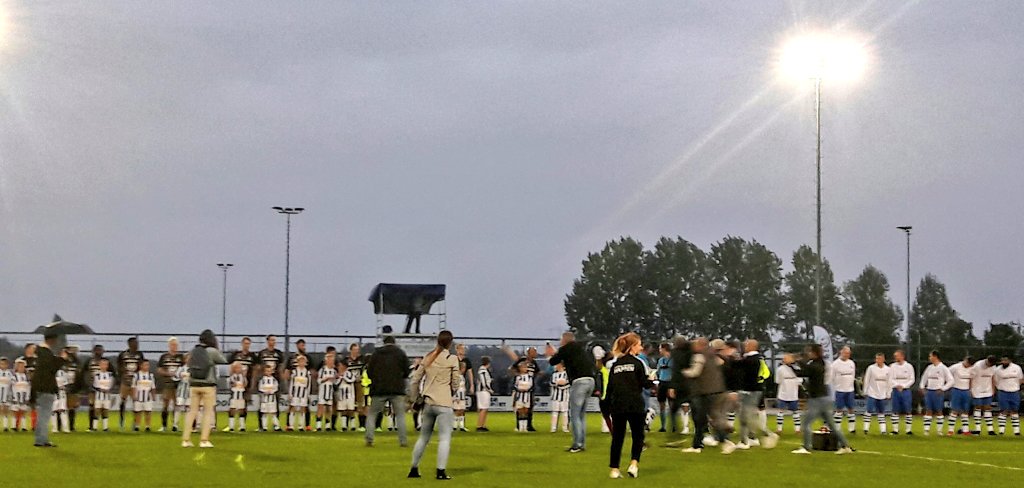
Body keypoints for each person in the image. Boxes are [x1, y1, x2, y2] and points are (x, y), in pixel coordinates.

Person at [408, 330, 460, 480]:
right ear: (450, 343)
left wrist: (415, 398)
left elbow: (414, 380)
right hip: (444, 403)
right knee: (444, 438)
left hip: (428, 402)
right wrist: (452, 391)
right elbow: (456, 382)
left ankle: (414, 468)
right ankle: (440, 471)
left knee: (423, 437)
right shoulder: (452, 359)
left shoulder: (428, 357)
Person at [604, 333, 652, 479]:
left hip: (618, 405)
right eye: (639, 344)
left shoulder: (615, 365)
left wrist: (607, 406)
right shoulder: (638, 363)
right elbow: (645, 384)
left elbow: (610, 388)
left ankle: (614, 469)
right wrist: (652, 380)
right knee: (638, 436)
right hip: (635, 404)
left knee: (617, 438)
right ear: (632, 347)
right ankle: (633, 464)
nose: (641, 347)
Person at [791, 344, 854, 455]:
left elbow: (805, 371)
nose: (808, 354)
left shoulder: (817, 365)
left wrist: (793, 362)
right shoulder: (820, 363)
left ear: (814, 353)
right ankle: (845, 446)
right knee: (832, 425)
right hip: (824, 399)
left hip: (817, 400)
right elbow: (804, 370)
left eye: (810, 352)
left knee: (805, 424)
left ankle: (806, 447)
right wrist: (794, 363)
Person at [546, 332, 597, 453]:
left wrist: (550, 354)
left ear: (564, 340)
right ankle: (582, 443)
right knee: (581, 415)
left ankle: (577, 444)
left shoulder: (566, 348)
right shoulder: (581, 348)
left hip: (579, 381)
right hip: (591, 380)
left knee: (574, 414)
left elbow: (553, 361)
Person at [181, 329, 227, 448]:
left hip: (194, 384)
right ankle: (204, 440)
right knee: (207, 412)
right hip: (208, 384)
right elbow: (223, 360)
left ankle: (186, 440)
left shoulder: (193, 351)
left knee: (192, 412)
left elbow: (188, 363)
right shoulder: (211, 351)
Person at [365, 335, 411, 446]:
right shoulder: (400, 353)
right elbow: (407, 370)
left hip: (379, 389)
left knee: (372, 414)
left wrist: (376, 379)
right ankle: (403, 441)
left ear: (383, 342)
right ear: (394, 342)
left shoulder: (376, 354)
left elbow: (369, 371)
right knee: (400, 415)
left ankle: (369, 439)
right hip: (397, 389)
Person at [736, 339, 778, 449]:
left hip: (751, 390)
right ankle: (752, 438)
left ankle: (762, 436)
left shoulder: (752, 359)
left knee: (746, 416)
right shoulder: (757, 358)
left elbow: (740, 367)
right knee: (748, 416)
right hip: (755, 389)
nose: (744, 346)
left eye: (746, 344)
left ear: (752, 346)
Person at [31, 331, 61, 447]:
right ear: (51, 340)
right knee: (44, 415)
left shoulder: (39, 353)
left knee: (41, 415)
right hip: (46, 388)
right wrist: (62, 359)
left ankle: (40, 439)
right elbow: (51, 369)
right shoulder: (45, 353)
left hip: (39, 388)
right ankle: (41, 440)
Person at [505, 346, 541, 431]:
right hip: (520, 388)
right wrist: (518, 375)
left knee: (529, 406)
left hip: (530, 387)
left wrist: (533, 378)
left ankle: (529, 424)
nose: (535, 354)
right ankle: (519, 425)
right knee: (519, 407)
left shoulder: (534, 363)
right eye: (533, 352)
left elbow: (537, 372)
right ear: (529, 353)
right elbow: (512, 368)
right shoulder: (522, 360)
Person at [919, 350, 954, 436]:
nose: (929, 358)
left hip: (938, 392)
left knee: (939, 411)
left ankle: (939, 431)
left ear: (935, 357)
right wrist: (922, 387)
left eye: (930, 356)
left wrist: (943, 389)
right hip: (929, 392)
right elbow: (924, 378)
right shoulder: (929, 367)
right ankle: (926, 430)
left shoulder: (943, 368)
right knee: (928, 411)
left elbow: (951, 381)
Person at [228, 337, 259, 432]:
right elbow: (230, 367)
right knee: (232, 406)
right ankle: (231, 425)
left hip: (245, 383)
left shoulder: (252, 356)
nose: (246, 345)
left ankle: (242, 425)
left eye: (248, 343)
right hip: (235, 386)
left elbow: (255, 370)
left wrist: (252, 384)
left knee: (243, 405)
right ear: (242, 344)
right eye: (245, 343)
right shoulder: (236, 355)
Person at [116, 337, 145, 430]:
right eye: (135, 343)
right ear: (129, 344)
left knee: (136, 403)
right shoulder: (123, 354)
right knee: (122, 401)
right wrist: (123, 374)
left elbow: (142, 366)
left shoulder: (140, 355)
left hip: (136, 383)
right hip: (125, 381)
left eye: (137, 343)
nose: (136, 345)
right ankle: (121, 421)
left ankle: (135, 424)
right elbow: (119, 366)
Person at [157, 337, 184, 432]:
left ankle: (175, 425)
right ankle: (164, 426)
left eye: (176, 345)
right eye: (173, 345)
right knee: (165, 404)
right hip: (167, 383)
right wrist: (168, 374)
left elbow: (185, 369)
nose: (175, 347)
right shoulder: (164, 357)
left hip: (179, 385)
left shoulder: (181, 357)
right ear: (169, 346)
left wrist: (180, 375)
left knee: (177, 404)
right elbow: (159, 370)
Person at [667, 335, 692, 435]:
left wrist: (672, 386)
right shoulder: (690, 352)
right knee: (687, 406)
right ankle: (685, 427)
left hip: (680, 383)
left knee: (675, 408)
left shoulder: (676, 354)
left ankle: (676, 427)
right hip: (688, 382)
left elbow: (676, 371)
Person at [862, 353, 891, 434]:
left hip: (882, 394)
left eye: (880, 359)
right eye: (877, 359)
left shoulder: (888, 369)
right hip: (872, 393)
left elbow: (889, 382)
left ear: (883, 359)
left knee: (881, 412)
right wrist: (865, 391)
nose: (878, 360)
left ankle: (883, 430)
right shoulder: (871, 368)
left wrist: (888, 393)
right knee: (869, 410)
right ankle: (866, 429)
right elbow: (867, 379)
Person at [342, 344, 369, 431]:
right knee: (348, 404)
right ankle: (346, 425)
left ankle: (362, 425)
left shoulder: (362, 359)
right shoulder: (346, 360)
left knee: (361, 404)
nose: (356, 351)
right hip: (349, 384)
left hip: (359, 383)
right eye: (354, 349)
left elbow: (365, 369)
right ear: (351, 350)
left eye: (357, 350)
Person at [831, 346, 857, 434]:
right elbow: (832, 377)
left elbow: (853, 375)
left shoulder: (851, 363)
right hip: (840, 390)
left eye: (848, 353)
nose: (847, 355)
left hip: (850, 390)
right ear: (841, 353)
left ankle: (852, 429)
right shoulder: (835, 364)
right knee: (839, 409)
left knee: (851, 409)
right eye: (845, 353)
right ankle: (837, 428)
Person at [994, 355, 1023, 435]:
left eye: (1006, 360)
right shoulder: (997, 369)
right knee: (1004, 410)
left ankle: (1016, 431)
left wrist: (1016, 387)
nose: (1004, 362)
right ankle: (1001, 431)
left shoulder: (1017, 368)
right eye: (1002, 360)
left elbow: (1021, 379)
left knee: (1015, 410)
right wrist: (1000, 388)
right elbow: (995, 380)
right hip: (1003, 392)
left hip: (1015, 392)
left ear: (1010, 360)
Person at [889, 349, 916, 435]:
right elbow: (890, 378)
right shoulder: (892, 366)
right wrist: (897, 385)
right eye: (895, 356)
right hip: (896, 390)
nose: (895, 358)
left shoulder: (909, 366)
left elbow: (912, 379)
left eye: (897, 356)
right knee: (895, 410)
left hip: (906, 390)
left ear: (902, 356)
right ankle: (895, 430)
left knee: (908, 410)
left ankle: (908, 430)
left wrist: (903, 386)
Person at [947, 356, 975, 435]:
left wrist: (970, 390)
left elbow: (971, 379)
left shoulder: (972, 369)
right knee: (954, 410)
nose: (967, 365)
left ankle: (965, 430)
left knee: (965, 411)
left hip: (966, 391)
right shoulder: (955, 367)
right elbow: (947, 374)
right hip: (956, 390)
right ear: (965, 360)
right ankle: (950, 430)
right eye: (967, 363)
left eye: (969, 365)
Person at [775, 353, 802, 434]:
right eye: (785, 358)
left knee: (795, 411)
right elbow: (778, 380)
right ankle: (779, 429)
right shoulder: (780, 369)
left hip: (793, 393)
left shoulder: (796, 368)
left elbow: (801, 379)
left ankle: (797, 429)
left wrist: (796, 382)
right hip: (783, 393)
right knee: (780, 411)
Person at [971, 355, 998, 435]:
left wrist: (993, 389)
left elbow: (992, 377)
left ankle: (990, 430)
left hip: (988, 390)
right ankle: (977, 429)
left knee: (988, 408)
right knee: (978, 407)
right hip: (977, 390)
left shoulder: (993, 367)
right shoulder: (977, 365)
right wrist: (971, 389)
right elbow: (971, 377)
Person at [83, 345, 106, 432]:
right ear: (93, 351)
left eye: (100, 350)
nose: (98, 352)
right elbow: (84, 373)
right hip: (92, 388)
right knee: (92, 406)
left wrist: (109, 385)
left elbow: (112, 374)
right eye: (97, 350)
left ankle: (105, 426)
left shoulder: (105, 362)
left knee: (103, 407)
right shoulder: (89, 361)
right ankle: (91, 426)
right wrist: (88, 384)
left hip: (103, 389)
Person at [287, 355, 311, 432]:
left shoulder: (307, 372)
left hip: (303, 394)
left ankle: (301, 425)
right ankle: (291, 425)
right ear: (297, 362)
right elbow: (291, 383)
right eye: (300, 361)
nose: (302, 363)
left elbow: (309, 384)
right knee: (293, 408)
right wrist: (290, 393)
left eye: (303, 361)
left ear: (305, 363)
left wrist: (308, 394)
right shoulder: (294, 372)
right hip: (295, 393)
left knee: (302, 409)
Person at [62, 346, 82, 432]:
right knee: (61, 407)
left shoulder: (76, 362)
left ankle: (71, 426)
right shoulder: (62, 362)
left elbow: (79, 375)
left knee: (72, 407)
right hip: (63, 387)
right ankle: (60, 426)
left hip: (73, 387)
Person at [315, 354, 338, 432]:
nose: (332, 362)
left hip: (330, 392)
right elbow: (318, 380)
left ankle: (327, 426)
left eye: (333, 360)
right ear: (326, 361)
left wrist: (335, 380)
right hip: (322, 391)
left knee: (329, 408)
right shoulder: (322, 370)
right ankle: (318, 425)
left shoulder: (334, 371)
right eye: (330, 360)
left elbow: (335, 382)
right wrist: (325, 379)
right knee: (320, 408)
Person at [132, 360, 156, 432]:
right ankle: (137, 426)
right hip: (138, 396)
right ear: (141, 366)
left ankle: (147, 426)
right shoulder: (136, 375)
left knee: (148, 412)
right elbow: (133, 386)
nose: (147, 366)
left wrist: (153, 396)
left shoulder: (151, 376)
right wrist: (134, 395)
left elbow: (153, 387)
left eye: (148, 365)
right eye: (145, 365)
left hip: (148, 397)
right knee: (138, 412)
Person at [92, 358, 114, 431]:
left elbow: (111, 384)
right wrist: (100, 389)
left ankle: (105, 427)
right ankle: (95, 427)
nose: (104, 366)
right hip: (99, 396)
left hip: (107, 396)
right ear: (100, 365)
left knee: (105, 411)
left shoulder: (110, 375)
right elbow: (95, 385)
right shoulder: (97, 374)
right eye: (102, 364)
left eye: (106, 364)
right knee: (97, 411)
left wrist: (108, 389)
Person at [257, 364, 282, 431]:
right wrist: (265, 391)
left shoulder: (274, 380)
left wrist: (271, 391)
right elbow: (260, 388)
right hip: (264, 399)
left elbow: (276, 388)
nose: (268, 372)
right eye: (267, 371)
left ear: (272, 371)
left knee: (273, 413)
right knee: (264, 413)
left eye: (270, 371)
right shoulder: (262, 380)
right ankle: (264, 427)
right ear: (264, 372)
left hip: (272, 399)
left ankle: (277, 426)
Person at [655, 343, 673, 432]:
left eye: (660, 349)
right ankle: (663, 426)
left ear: (664, 349)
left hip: (670, 383)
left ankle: (673, 425)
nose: (659, 351)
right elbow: (658, 371)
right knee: (662, 404)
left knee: (671, 404)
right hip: (662, 383)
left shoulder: (673, 360)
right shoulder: (660, 360)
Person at [51, 350, 70, 433]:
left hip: (62, 393)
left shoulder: (63, 372)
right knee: (54, 410)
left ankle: (65, 428)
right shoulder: (50, 372)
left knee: (63, 410)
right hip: (53, 393)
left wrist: (63, 387)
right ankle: (54, 428)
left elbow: (66, 383)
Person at [226, 362, 248, 432]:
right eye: (237, 368)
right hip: (234, 396)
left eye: (240, 367)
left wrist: (244, 376)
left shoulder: (243, 377)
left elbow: (245, 384)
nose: (239, 369)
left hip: (241, 396)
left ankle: (242, 426)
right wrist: (234, 384)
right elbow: (230, 384)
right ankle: (231, 426)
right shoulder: (231, 377)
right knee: (232, 410)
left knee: (241, 410)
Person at [336, 362, 358, 431]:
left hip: (350, 395)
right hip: (341, 395)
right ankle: (344, 426)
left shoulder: (349, 373)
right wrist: (339, 378)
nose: (339, 367)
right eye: (339, 366)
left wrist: (343, 376)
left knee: (351, 410)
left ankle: (353, 426)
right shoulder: (337, 375)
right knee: (343, 410)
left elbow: (351, 380)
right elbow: (336, 384)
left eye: (340, 366)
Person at [512, 361, 534, 432]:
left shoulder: (529, 377)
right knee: (520, 411)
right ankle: (520, 427)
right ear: (520, 368)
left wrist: (526, 388)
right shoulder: (518, 377)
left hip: (527, 396)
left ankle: (525, 427)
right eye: (523, 367)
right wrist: (519, 389)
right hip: (519, 396)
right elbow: (515, 386)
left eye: (526, 367)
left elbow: (531, 386)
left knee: (526, 411)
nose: (525, 368)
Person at [550, 363, 570, 433]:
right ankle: (553, 428)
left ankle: (565, 428)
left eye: (559, 365)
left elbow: (568, 384)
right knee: (555, 412)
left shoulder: (567, 374)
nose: (557, 366)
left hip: (565, 397)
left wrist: (560, 384)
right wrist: (559, 383)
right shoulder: (554, 374)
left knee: (565, 412)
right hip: (555, 396)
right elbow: (552, 383)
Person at [475, 356, 493, 432]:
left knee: (484, 408)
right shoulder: (483, 370)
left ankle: (482, 424)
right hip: (483, 391)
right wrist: (489, 389)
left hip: (482, 391)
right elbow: (484, 381)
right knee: (484, 408)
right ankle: (480, 425)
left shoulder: (483, 370)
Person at [452, 362, 468, 432]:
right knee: (457, 411)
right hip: (458, 396)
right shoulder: (457, 376)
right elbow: (455, 387)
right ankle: (454, 426)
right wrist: (456, 397)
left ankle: (461, 426)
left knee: (462, 410)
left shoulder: (462, 376)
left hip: (462, 396)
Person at [173, 367, 190, 432]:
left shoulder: (193, 368)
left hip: (190, 391)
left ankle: (187, 426)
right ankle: (175, 425)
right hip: (181, 391)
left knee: (188, 408)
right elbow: (175, 378)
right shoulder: (181, 368)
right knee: (178, 407)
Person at [0, 357, 13, 431]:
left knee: (5, 410)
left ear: (7, 365)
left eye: (5, 364)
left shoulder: (10, 373)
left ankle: (5, 426)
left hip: (6, 394)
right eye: (1, 364)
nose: (3, 365)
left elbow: (12, 384)